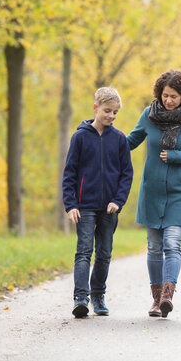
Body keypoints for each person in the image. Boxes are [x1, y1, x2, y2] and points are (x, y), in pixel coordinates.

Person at [127, 69, 181, 318]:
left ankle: (167, 296)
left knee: (172, 244)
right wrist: (103, 135)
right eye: (165, 95)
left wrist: (176, 156)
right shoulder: (148, 115)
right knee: (153, 247)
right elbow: (131, 141)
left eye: (173, 96)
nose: (168, 100)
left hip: (179, 192)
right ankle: (155, 300)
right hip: (151, 192)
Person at [62, 86, 134, 318]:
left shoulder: (120, 139)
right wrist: (71, 204)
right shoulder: (80, 137)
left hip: (109, 208)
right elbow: (70, 173)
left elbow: (126, 174)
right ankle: (80, 298)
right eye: (107, 111)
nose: (111, 116)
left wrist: (118, 200)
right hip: (84, 205)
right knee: (84, 251)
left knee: (104, 253)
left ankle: (98, 295)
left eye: (115, 112)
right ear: (95, 108)